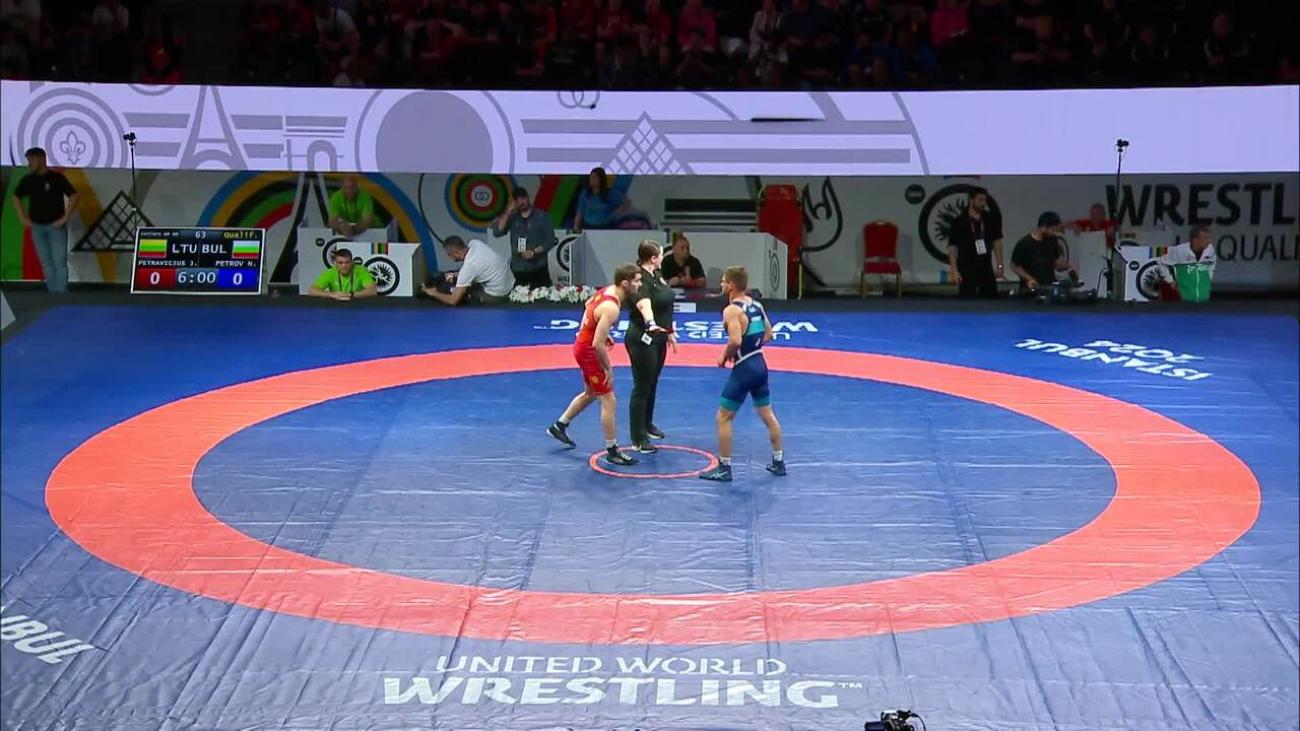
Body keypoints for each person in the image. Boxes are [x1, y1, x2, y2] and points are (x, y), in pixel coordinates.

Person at [548, 264, 643, 466]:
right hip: (588, 352)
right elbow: (597, 344)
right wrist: (608, 368)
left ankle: (559, 425)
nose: (639, 284)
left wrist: (598, 330)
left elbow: (589, 307)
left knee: (591, 392)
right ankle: (612, 450)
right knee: (609, 399)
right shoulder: (612, 308)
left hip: (582, 345)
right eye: (636, 281)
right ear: (625, 283)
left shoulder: (607, 291)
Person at [699, 266, 785, 482]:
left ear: (731, 285)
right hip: (760, 363)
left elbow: (735, 340)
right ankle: (779, 462)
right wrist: (752, 346)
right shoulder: (756, 305)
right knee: (767, 414)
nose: (721, 284)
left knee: (723, 417)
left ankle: (724, 468)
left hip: (744, 368)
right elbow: (769, 334)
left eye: (723, 281)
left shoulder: (732, 310)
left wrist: (724, 357)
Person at [625, 240, 677, 452]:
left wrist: (669, 331)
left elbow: (665, 302)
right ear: (653, 258)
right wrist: (651, 323)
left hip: (659, 338)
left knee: (652, 382)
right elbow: (644, 303)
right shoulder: (640, 280)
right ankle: (638, 438)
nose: (663, 258)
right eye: (661, 255)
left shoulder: (657, 275)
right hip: (643, 338)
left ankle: (647, 424)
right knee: (642, 386)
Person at [11, 147, 78, 293]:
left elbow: (73, 195)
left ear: (41, 159)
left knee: (59, 262)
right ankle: (53, 293)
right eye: (28, 160)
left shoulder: (56, 178)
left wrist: (65, 218)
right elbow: (16, 197)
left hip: (56, 227)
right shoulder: (28, 180)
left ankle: (61, 293)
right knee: (46, 263)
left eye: (31, 160)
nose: (29, 164)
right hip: (37, 227)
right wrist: (22, 218)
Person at [491, 187, 557, 289]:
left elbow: (550, 241)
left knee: (543, 296)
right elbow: (497, 232)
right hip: (518, 267)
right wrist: (508, 212)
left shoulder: (542, 216)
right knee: (518, 297)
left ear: (527, 197)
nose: (521, 202)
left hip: (538, 267)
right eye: (517, 200)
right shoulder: (512, 217)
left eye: (522, 198)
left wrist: (533, 252)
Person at [945, 187, 1004, 299]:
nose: (983, 203)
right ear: (971, 200)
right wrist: (954, 270)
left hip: (986, 266)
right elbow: (953, 247)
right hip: (966, 267)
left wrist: (1000, 265)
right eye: (980, 200)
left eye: (985, 200)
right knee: (967, 301)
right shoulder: (959, 221)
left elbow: (997, 241)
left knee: (992, 300)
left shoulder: (990, 218)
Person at [422, 236, 514, 305]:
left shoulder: (469, 267)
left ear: (457, 253)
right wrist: (457, 274)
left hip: (499, 295)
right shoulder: (475, 243)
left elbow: (453, 300)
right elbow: (480, 266)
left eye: (449, 254)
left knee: (458, 293)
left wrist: (434, 293)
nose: (449, 257)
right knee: (458, 276)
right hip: (510, 284)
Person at [1011, 211, 1077, 293]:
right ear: (1043, 227)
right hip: (1031, 290)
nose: (1054, 233)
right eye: (1052, 230)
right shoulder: (1024, 243)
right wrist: (1029, 278)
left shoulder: (1052, 240)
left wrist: (1068, 266)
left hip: (1050, 287)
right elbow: (1014, 266)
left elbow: (1055, 261)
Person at [573, 167, 651, 232]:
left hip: (605, 227)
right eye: (591, 177)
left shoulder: (610, 193)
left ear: (601, 179)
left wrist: (614, 214)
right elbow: (580, 212)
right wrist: (576, 229)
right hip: (588, 227)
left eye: (595, 177)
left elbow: (627, 202)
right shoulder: (585, 194)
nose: (592, 179)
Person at [1159, 225, 1217, 302]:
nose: (1209, 241)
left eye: (1209, 238)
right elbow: (1162, 262)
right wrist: (1170, 281)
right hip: (1184, 299)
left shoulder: (1210, 250)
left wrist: (1209, 277)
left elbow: (1212, 263)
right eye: (1206, 238)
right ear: (1195, 240)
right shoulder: (1179, 251)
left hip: (1203, 298)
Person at [308, 247, 378, 300]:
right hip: (336, 306)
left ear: (352, 262)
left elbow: (372, 291)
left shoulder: (361, 270)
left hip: (357, 305)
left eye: (347, 262)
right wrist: (332, 295)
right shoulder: (331, 272)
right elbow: (312, 290)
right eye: (340, 263)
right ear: (335, 263)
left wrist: (350, 295)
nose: (344, 266)